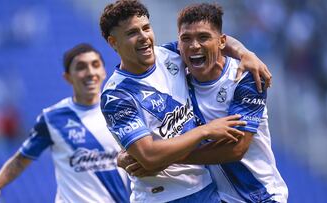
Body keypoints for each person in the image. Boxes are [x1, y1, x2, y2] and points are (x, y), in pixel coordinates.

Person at [99, 1, 272, 202]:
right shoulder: (116, 96)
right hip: (162, 197)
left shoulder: (170, 55)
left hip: (206, 189)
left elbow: (211, 39)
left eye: (146, 28)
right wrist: (204, 131)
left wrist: (245, 53)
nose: (144, 37)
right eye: (132, 33)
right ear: (113, 42)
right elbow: (149, 157)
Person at [0, 43, 130, 203]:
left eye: (95, 65)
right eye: (81, 67)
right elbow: (21, 159)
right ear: (67, 77)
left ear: (103, 72)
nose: (90, 72)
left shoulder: (118, 110)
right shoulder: (52, 118)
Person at [177, 3, 288, 202]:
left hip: (261, 197)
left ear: (221, 42)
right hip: (219, 198)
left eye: (203, 37)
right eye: (186, 38)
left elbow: (236, 149)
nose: (194, 45)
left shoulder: (246, 78)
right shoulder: (175, 77)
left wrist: (168, 158)